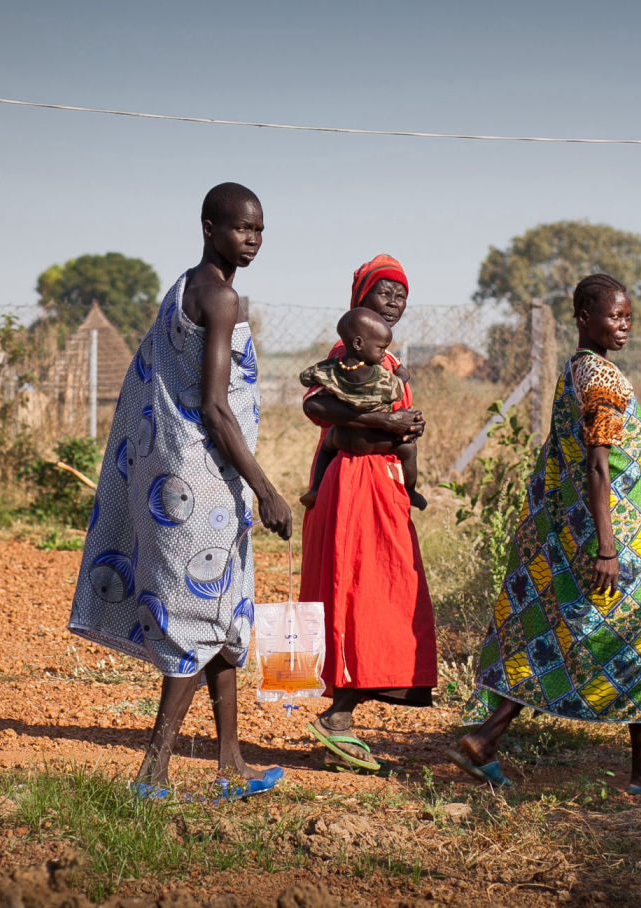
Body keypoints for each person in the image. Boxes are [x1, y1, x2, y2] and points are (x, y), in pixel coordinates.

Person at [67, 181, 293, 799]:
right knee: (197, 624)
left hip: (179, 475)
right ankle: (153, 771)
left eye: (260, 230)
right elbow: (217, 409)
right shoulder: (220, 298)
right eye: (242, 228)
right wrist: (266, 490)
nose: (253, 240)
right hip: (204, 481)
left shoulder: (184, 286)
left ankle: (229, 765)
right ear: (208, 226)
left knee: (223, 620)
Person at [448, 273, 641, 796]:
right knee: (616, 635)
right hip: (609, 539)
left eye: (629, 316)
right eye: (614, 316)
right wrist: (607, 547)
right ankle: (638, 767)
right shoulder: (601, 379)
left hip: (576, 534)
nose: (624, 325)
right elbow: (597, 466)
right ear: (583, 318)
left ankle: (490, 742)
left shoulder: (578, 370)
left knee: (573, 630)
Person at [299, 254, 437, 771]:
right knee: (359, 591)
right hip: (356, 482)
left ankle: (343, 714)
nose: (396, 300)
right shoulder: (347, 355)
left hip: (382, 483)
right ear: (360, 303)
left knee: (381, 592)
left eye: (402, 293)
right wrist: (383, 418)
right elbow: (316, 408)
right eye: (385, 292)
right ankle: (339, 717)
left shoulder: (387, 360)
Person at [298, 307, 425, 511]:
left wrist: (311, 375)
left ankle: (315, 488)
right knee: (409, 449)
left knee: (325, 449)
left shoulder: (331, 368)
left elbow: (307, 376)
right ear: (358, 343)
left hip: (342, 437)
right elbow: (398, 390)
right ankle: (411, 491)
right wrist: (402, 375)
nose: (383, 353)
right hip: (371, 440)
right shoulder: (379, 377)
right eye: (381, 348)